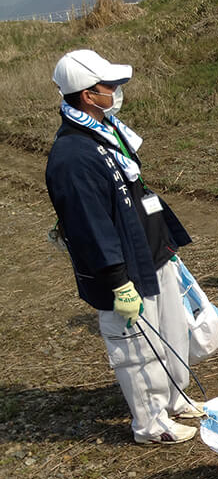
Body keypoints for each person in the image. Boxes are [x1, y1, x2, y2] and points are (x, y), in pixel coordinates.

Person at [45, 49, 200, 445]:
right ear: (85, 94)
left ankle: (174, 397)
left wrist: (166, 241)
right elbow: (89, 226)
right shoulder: (72, 156)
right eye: (108, 86)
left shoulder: (109, 131)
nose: (116, 91)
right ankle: (151, 424)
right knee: (136, 347)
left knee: (172, 330)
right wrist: (117, 281)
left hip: (152, 251)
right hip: (124, 270)